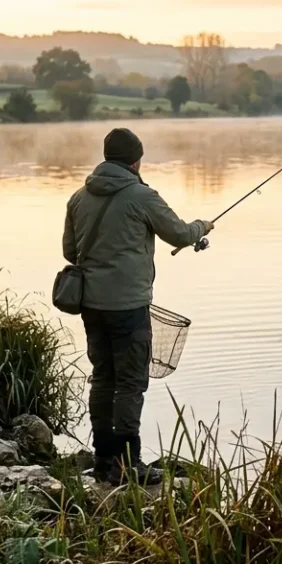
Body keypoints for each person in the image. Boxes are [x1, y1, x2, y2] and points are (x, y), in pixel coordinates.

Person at [62, 128, 212, 485]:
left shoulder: (78, 197)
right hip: (128, 307)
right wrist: (203, 226)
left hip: (91, 306)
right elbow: (179, 233)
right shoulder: (142, 196)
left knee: (102, 377)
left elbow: (71, 252)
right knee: (130, 382)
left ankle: (102, 459)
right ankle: (128, 464)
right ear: (136, 161)